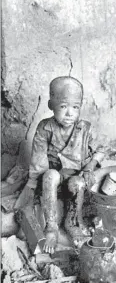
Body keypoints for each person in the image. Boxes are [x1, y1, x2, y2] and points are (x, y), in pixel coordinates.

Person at [14, 76, 105, 254]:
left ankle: (72, 223)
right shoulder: (45, 128)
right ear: (51, 105)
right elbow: (38, 161)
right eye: (63, 106)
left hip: (76, 176)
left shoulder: (85, 128)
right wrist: (31, 187)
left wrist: (90, 166)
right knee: (50, 176)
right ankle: (51, 227)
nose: (70, 113)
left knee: (77, 183)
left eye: (75, 107)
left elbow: (101, 150)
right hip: (51, 178)